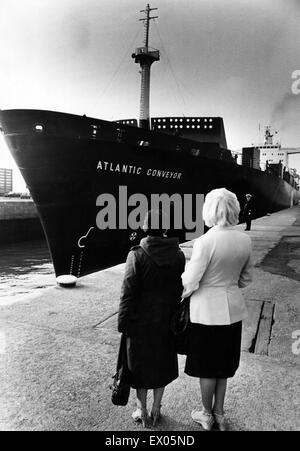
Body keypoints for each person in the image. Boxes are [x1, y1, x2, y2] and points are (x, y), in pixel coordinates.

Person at [181, 188, 253, 431]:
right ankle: (220, 414)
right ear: (234, 209)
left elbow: (190, 281)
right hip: (232, 310)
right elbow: (246, 279)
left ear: (210, 211)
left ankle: (206, 414)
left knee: (207, 366)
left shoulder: (205, 241)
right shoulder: (245, 239)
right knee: (224, 365)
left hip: (206, 313)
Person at [118, 209, 185, 427]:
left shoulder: (136, 255)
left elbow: (127, 293)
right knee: (162, 363)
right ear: (165, 228)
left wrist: (123, 323)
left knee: (139, 366)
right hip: (166, 320)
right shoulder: (178, 255)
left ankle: (142, 409)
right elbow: (178, 289)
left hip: (140, 322)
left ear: (146, 227)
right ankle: (157, 408)